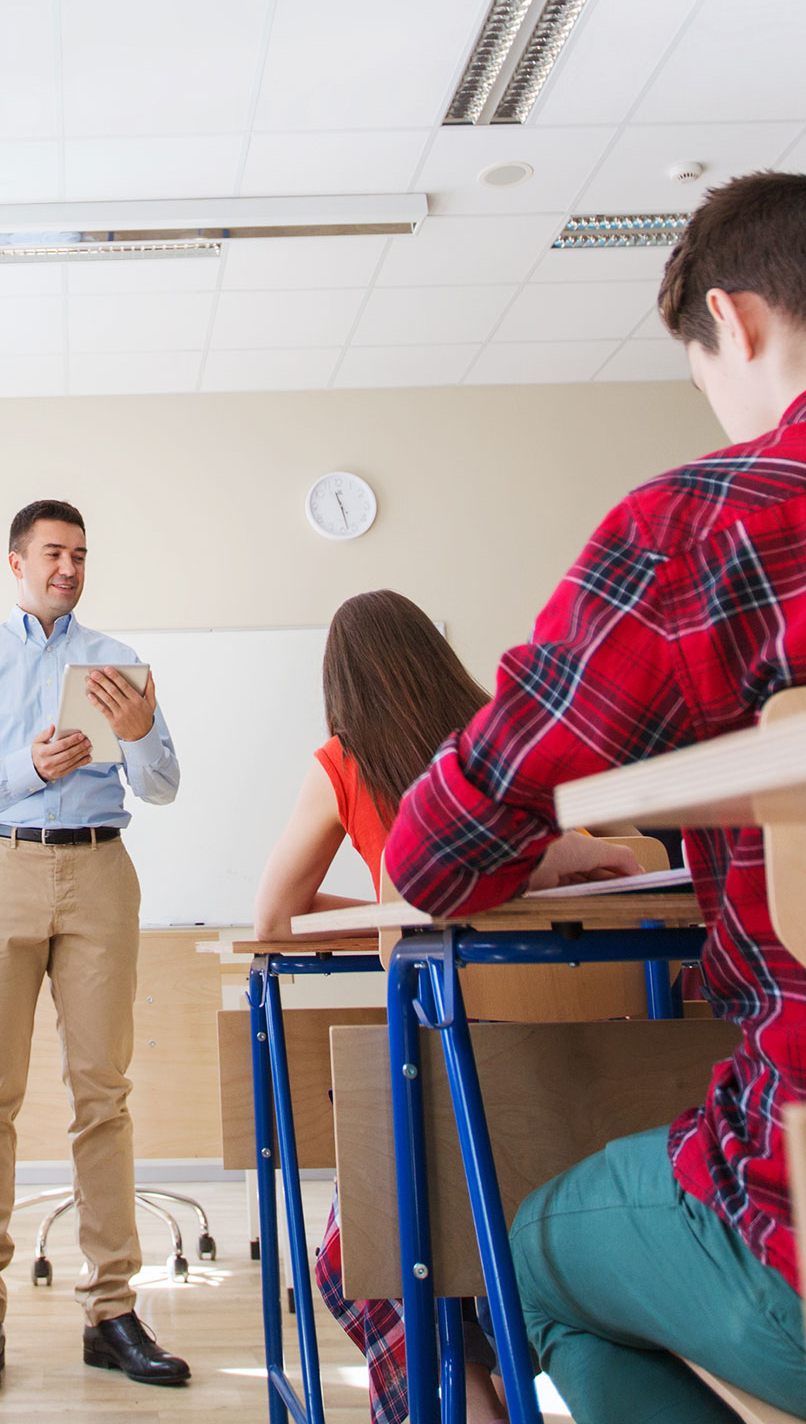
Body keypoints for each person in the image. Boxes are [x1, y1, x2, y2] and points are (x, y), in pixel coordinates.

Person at [386, 171, 806, 1424]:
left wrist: (547, 840)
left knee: (527, 1257)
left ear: (735, 323)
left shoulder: (705, 523)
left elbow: (432, 855)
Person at [252, 590, 636, 1424]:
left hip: (439, 1074)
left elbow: (274, 919)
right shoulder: (506, 740)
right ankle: (500, 1378)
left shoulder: (345, 761)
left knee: (358, 1256)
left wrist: (390, 908)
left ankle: (463, 1401)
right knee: (476, 1219)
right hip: (585, 1087)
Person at [0, 499, 188, 1398]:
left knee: (102, 1096)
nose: (68, 568)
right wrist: (26, 769)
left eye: (80, 554)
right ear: (16, 563)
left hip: (100, 873)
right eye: (53, 554)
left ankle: (112, 1311)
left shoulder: (115, 663)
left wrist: (143, 730)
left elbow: (163, 786)